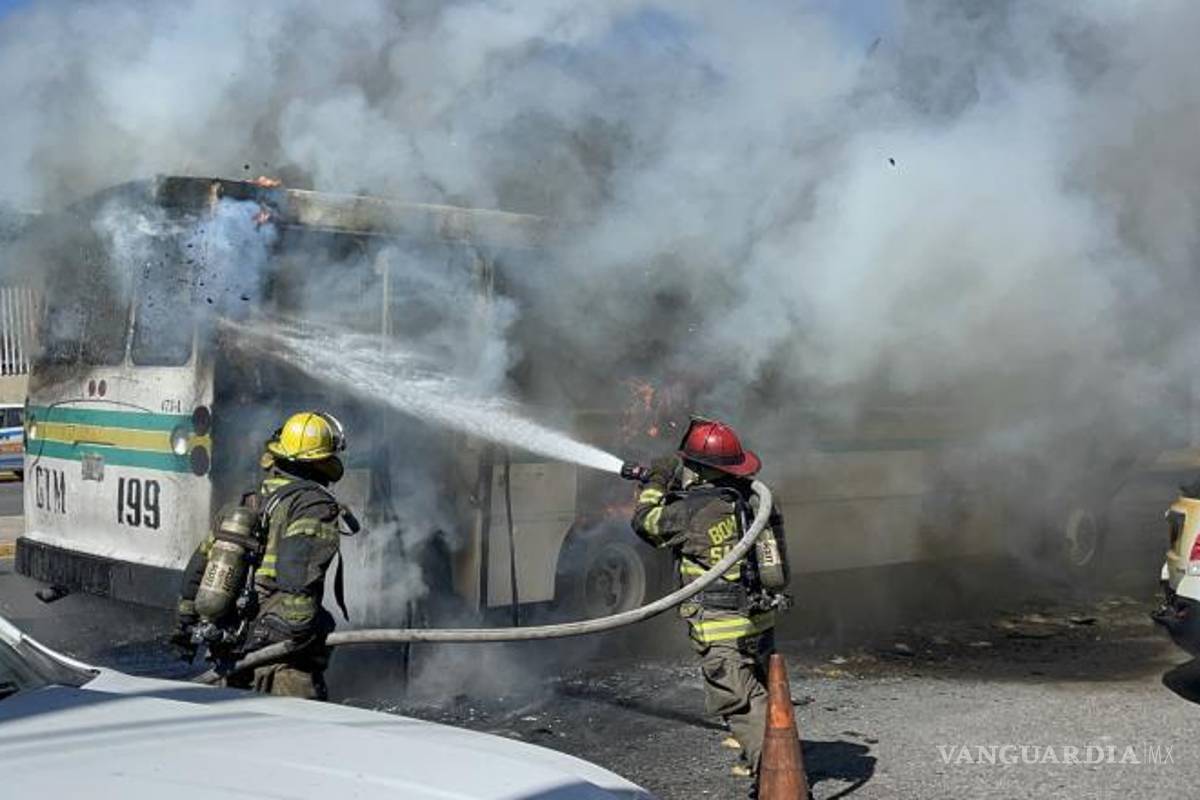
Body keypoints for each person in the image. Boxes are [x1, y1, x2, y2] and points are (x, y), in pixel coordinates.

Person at [630, 416, 790, 784]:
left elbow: (645, 522)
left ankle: (780, 782)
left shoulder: (691, 513)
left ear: (700, 469)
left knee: (743, 704)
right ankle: (774, 767)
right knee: (764, 695)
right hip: (760, 622)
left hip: (721, 629)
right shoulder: (756, 499)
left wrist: (657, 479)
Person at [172, 410, 354, 700]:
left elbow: (199, 567)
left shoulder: (248, 502)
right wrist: (300, 633)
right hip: (279, 659)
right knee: (298, 737)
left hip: (230, 647)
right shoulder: (314, 505)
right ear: (322, 461)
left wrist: (185, 627)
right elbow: (298, 569)